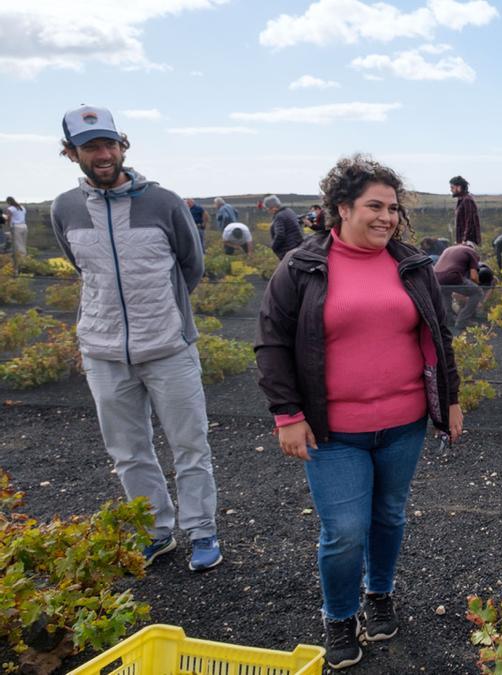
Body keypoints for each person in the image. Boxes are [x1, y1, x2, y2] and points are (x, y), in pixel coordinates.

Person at [255, 154, 462, 670]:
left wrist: (450, 401)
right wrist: (287, 414)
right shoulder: (302, 267)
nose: (387, 217)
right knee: (344, 530)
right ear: (341, 208)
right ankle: (340, 616)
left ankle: (380, 594)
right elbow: (273, 343)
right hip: (334, 433)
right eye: (374, 205)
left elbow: (440, 335)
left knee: (389, 514)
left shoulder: (412, 265)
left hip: (404, 423)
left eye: (393, 208)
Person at [49, 105, 220, 572]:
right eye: (90, 147)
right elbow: (81, 267)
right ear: (70, 154)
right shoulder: (63, 209)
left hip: (168, 347)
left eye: (109, 144)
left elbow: (192, 266)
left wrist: (164, 314)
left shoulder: (164, 202)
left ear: (123, 146)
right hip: (103, 352)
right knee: (128, 451)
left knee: (191, 445)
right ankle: (156, 532)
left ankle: (202, 531)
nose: (102, 155)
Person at [433, 241, 482, 333]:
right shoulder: (471, 252)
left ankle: (448, 320)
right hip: (452, 275)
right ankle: (462, 320)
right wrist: (478, 286)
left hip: (436, 277)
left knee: (445, 294)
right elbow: (474, 276)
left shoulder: (449, 249)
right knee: (477, 292)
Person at [265, 195, 303, 259]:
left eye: (268, 209)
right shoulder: (289, 211)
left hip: (288, 251)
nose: (268, 211)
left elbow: (280, 235)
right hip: (298, 246)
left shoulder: (279, 216)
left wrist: (273, 246)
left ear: (273, 207)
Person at [450, 175, 480, 245]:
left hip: (467, 242)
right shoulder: (462, 200)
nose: (451, 190)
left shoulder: (467, 200)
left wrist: (465, 240)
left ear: (459, 187)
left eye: (452, 187)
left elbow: (470, 221)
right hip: (463, 242)